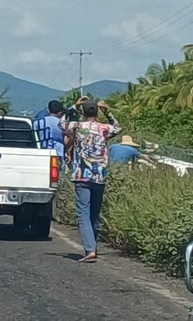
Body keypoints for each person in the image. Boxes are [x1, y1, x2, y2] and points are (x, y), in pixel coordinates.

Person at [61, 97, 121, 263]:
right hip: (100, 176)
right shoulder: (104, 128)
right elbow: (118, 127)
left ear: (83, 111)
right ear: (96, 112)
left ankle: (89, 249)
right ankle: (92, 247)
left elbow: (62, 123)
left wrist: (74, 106)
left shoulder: (77, 126)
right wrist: (107, 111)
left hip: (82, 174)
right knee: (94, 214)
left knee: (83, 213)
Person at [33, 100, 67, 222]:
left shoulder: (39, 122)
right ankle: (56, 212)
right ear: (60, 112)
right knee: (57, 184)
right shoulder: (63, 124)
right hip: (57, 155)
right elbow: (67, 139)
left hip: (40, 154)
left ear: (48, 110)